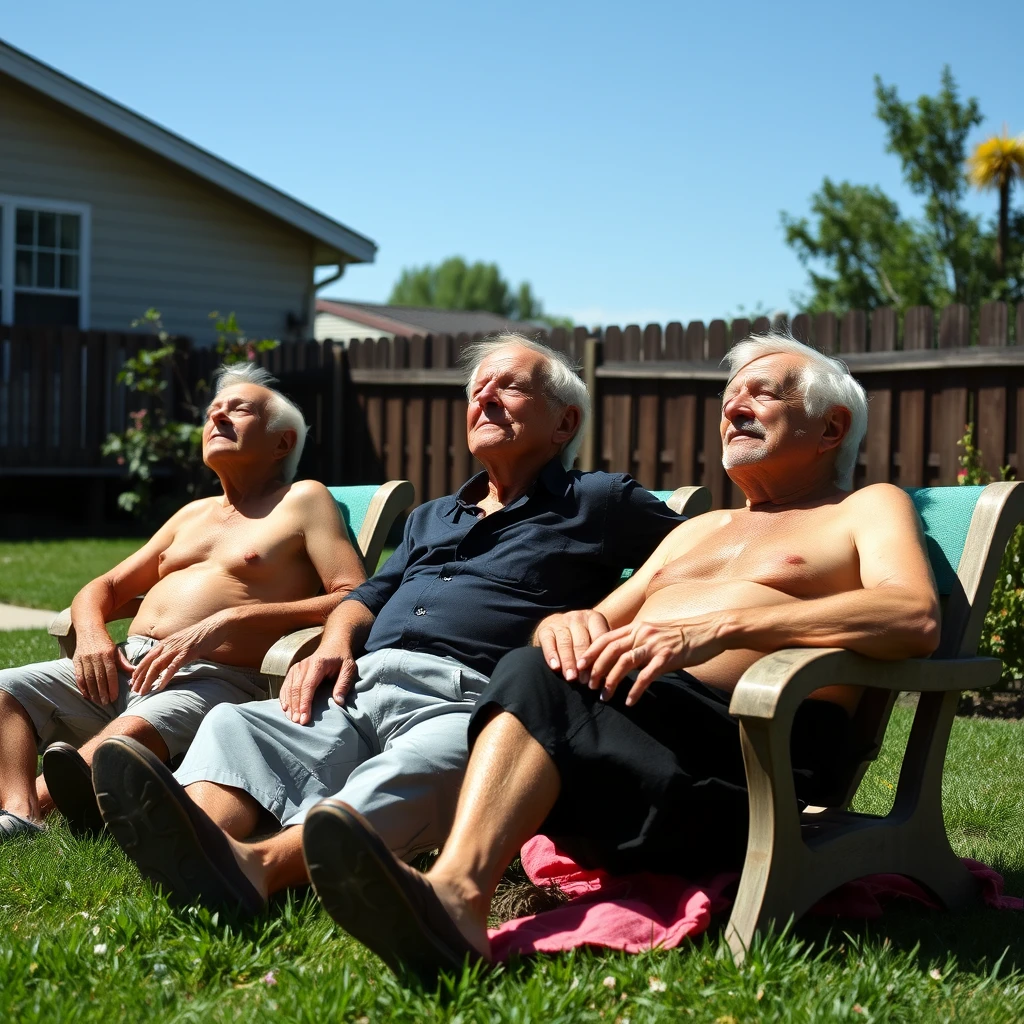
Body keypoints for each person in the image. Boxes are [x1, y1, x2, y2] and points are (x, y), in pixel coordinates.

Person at [299, 330, 943, 986]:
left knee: (536, 680)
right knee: (531, 666)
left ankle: (451, 894)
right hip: (638, 758)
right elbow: (599, 617)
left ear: (832, 427)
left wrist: (729, 625)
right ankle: (444, 889)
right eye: (728, 398)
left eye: (762, 393)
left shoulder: (864, 509)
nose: (733, 408)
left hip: (750, 758)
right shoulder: (698, 530)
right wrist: (567, 622)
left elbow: (912, 617)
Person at [90, 334, 685, 914]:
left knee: (421, 770)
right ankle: (202, 851)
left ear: (564, 424)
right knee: (236, 726)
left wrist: (601, 614)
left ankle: (255, 867)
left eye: (510, 386)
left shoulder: (598, 501)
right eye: (478, 389)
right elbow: (367, 594)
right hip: (360, 681)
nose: (486, 397)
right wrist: (334, 640)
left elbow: (694, 560)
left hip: (472, 701)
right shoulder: (433, 517)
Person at [0, 363, 364, 839]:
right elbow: (104, 588)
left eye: (240, 410)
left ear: (283, 442)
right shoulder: (192, 513)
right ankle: (20, 811)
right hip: (127, 666)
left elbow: (353, 594)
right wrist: (91, 635)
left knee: (126, 736)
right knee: (6, 689)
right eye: (214, 412)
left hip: (213, 679)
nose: (219, 418)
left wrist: (230, 620)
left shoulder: (303, 500)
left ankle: (45, 804)